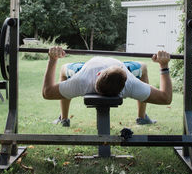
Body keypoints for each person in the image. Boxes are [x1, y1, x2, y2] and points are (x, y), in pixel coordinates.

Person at [42, 46, 172, 127]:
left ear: (99, 74)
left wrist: (53, 59)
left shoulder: (81, 81)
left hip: (85, 69)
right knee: (143, 67)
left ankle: (64, 119)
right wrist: (163, 65)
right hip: (103, 70)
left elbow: (47, 92)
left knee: (64, 69)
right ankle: (142, 118)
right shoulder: (131, 84)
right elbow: (166, 98)